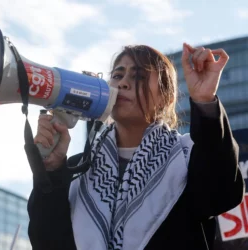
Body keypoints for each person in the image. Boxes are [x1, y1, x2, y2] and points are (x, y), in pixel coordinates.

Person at [27, 43, 245, 250]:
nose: (122, 83)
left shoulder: (188, 156)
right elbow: (47, 242)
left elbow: (222, 194)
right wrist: (53, 171)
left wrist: (205, 101)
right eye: (117, 75)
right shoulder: (77, 168)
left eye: (139, 76)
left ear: (166, 97)